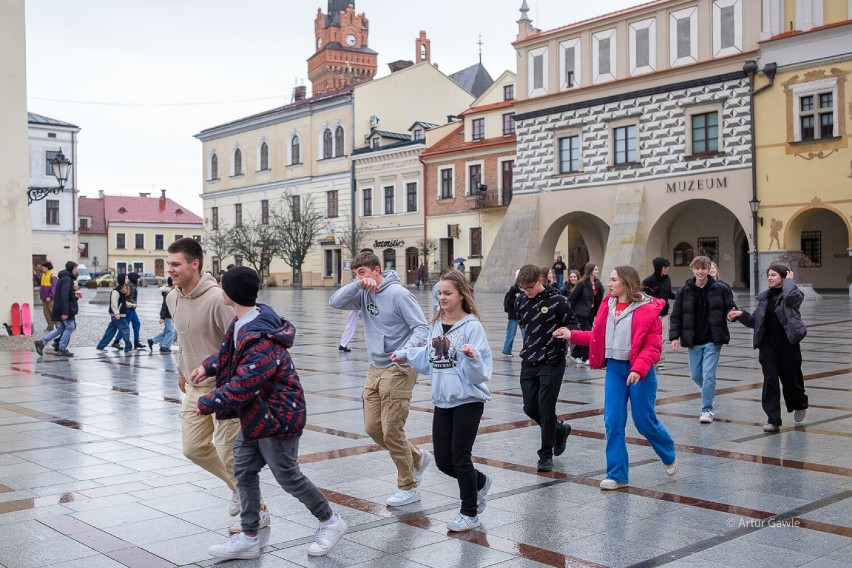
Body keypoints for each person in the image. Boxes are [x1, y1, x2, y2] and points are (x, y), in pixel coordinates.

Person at [197, 267, 347, 560]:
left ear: (231, 293)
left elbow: (246, 382)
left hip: (278, 417)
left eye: (222, 284)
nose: (219, 287)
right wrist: (209, 366)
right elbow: (231, 358)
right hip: (256, 415)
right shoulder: (242, 322)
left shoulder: (260, 335)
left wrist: (207, 403)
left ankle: (331, 521)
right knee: (243, 469)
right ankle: (249, 536)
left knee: (288, 476)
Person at [165, 237, 271, 532]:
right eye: (169, 263)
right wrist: (181, 371)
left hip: (225, 388)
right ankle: (238, 489)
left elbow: (240, 343)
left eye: (176, 264)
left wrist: (238, 386)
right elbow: (182, 339)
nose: (170, 269)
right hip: (195, 385)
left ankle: (257, 509)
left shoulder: (216, 299)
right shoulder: (172, 297)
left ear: (194, 264)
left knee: (228, 452)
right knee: (193, 448)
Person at [556, 265, 677, 490]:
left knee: (643, 421)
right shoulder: (608, 305)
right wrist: (572, 334)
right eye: (609, 280)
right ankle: (617, 474)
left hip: (639, 372)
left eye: (613, 280)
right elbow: (599, 337)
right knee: (613, 421)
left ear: (626, 282)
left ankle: (668, 452)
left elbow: (652, 347)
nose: (609, 284)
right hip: (615, 369)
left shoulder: (647, 309)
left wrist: (638, 369)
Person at [392, 269, 492, 532]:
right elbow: (429, 357)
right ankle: (479, 482)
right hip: (442, 400)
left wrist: (472, 357)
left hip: (468, 400)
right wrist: (406, 354)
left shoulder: (472, 327)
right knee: (444, 461)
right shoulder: (436, 324)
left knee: (460, 457)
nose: (442, 298)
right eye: (439, 293)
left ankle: (469, 512)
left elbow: (482, 372)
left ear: (461, 295)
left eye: (447, 293)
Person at [329, 250, 431, 506]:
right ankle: (417, 457)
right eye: (355, 274)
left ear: (377, 270)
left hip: (400, 367)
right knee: (373, 428)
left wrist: (406, 351)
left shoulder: (399, 294)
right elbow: (335, 302)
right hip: (375, 367)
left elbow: (422, 327)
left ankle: (408, 485)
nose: (360, 278)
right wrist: (356, 284)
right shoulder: (363, 293)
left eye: (363, 272)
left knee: (392, 429)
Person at [728, 265, 808, 432]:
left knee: (792, 380)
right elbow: (754, 321)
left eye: (774, 275)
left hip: (789, 344)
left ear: (784, 277)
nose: (770, 278)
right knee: (770, 380)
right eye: (768, 275)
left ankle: (799, 404)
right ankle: (773, 419)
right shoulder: (764, 298)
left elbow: (792, 297)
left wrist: (789, 282)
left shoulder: (792, 295)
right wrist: (741, 314)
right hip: (768, 346)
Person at [514, 264, 579, 472]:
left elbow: (574, 324)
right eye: (523, 288)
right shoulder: (520, 300)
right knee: (529, 407)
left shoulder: (558, 300)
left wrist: (565, 331)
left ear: (540, 281)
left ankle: (545, 454)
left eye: (530, 287)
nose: (527, 292)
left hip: (552, 360)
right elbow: (524, 325)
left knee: (545, 406)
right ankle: (559, 430)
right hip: (529, 359)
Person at [669, 256, 736, 424]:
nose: (700, 271)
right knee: (695, 375)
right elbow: (676, 316)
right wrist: (674, 336)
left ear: (709, 270)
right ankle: (709, 393)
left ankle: (707, 410)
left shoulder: (720, 288)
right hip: (693, 340)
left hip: (713, 339)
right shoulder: (684, 291)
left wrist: (731, 314)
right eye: (697, 268)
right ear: (692, 269)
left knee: (708, 375)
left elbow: (730, 306)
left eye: (704, 268)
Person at [34, 261, 80, 357]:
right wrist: (65, 312)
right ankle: (61, 348)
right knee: (70, 327)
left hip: (59, 308)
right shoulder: (67, 279)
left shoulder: (63, 278)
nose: (76, 270)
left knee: (61, 328)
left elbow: (65, 295)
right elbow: (64, 296)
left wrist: (75, 296)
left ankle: (42, 342)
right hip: (64, 309)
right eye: (75, 268)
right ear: (71, 269)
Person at [642, 257, 676, 371]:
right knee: (651, 338)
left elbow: (669, 294)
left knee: (663, 338)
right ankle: (651, 360)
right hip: (652, 315)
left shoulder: (667, 279)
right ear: (658, 267)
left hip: (664, 314)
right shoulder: (648, 281)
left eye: (668, 267)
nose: (667, 269)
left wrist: (681, 295)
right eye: (665, 267)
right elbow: (643, 297)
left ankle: (660, 361)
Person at [569, 262, 605, 365]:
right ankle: (585, 357)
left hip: (590, 313)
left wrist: (598, 314)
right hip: (580, 313)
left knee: (584, 335)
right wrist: (570, 313)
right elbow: (572, 298)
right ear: (590, 270)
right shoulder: (582, 283)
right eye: (595, 269)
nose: (597, 271)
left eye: (598, 269)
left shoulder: (598, 284)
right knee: (589, 334)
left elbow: (599, 299)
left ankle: (576, 354)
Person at [95, 273, 132, 353]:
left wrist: (131, 305)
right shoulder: (116, 291)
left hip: (117, 315)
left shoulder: (122, 289)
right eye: (126, 278)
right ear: (122, 280)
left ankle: (100, 346)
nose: (127, 280)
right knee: (125, 329)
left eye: (127, 278)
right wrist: (117, 313)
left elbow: (123, 303)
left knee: (110, 331)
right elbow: (114, 303)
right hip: (119, 316)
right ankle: (128, 347)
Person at [147, 277, 175, 352]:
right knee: (171, 331)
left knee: (167, 331)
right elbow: (164, 305)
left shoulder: (172, 291)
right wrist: (162, 317)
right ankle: (165, 346)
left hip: (170, 315)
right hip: (167, 315)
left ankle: (152, 341)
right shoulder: (169, 293)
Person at [501, 270, 522, 356]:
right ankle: (507, 350)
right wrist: (518, 301)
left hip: (523, 315)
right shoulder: (513, 289)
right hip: (513, 315)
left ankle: (527, 350)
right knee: (511, 333)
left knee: (526, 334)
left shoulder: (526, 289)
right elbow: (509, 301)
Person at [34, 261, 58, 332]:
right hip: (44, 298)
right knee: (46, 313)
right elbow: (39, 282)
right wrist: (35, 275)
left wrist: (50, 296)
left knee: (52, 312)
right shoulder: (43, 274)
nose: (42, 268)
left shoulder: (52, 275)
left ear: (47, 267)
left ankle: (58, 326)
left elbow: (54, 287)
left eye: (43, 267)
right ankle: (50, 327)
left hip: (50, 298)